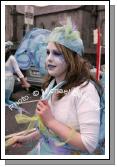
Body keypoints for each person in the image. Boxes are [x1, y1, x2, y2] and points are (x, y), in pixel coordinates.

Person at [11, 19, 104, 155]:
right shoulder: (51, 85)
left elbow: (89, 144)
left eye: (56, 53)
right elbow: (49, 132)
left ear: (71, 58)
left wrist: (51, 121)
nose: (48, 58)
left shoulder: (85, 90)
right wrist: (26, 139)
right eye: (48, 52)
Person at [5, 41, 31, 108]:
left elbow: (18, 71)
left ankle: (18, 108)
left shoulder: (12, 58)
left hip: (8, 81)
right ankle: (18, 108)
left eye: (5, 47)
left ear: (8, 48)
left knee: (6, 100)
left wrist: (25, 82)